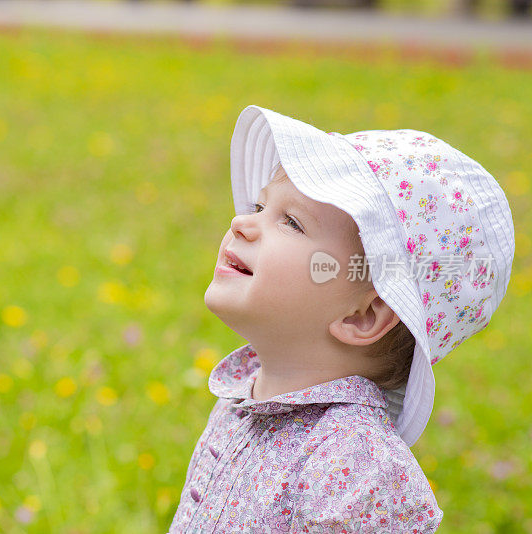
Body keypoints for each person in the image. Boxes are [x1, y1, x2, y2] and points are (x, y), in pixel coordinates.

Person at [168, 105, 515, 532]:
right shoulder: (238, 403)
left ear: (362, 315)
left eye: (292, 222)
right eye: (259, 205)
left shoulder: (358, 464)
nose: (242, 222)